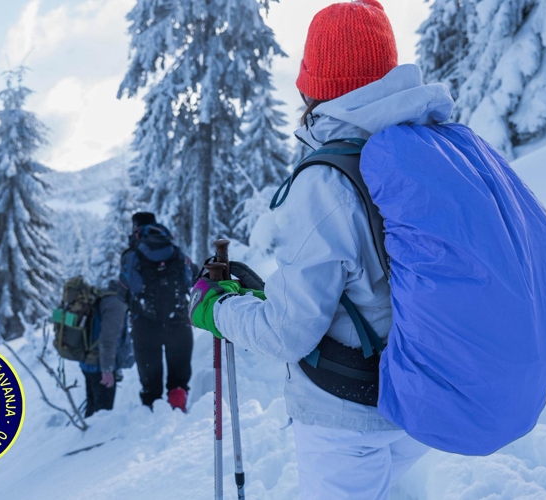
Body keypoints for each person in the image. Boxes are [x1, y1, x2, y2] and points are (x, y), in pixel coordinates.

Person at [190, 1, 447, 498]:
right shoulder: (425, 145)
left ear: (316, 84)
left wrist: (216, 310)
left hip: (347, 419)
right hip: (416, 395)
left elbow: (289, 333)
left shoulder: (327, 181)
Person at [120, 212, 195, 411]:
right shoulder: (173, 250)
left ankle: (153, 409)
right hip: (177, 319)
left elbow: (125, 284)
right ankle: (178, 403)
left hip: (145, 321)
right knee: (179, 371)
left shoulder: (132, 254)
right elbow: (190, 278)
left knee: (149, 370)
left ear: (135, 228)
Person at [79, 280, 130, 418]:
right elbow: (108, 339)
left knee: (92, 408)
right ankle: (97, 439)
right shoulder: (116, 304)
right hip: (99, 366)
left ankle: (86, 435)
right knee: (101, 415)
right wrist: (107, 370)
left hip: (89, 362)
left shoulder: (107, 296)